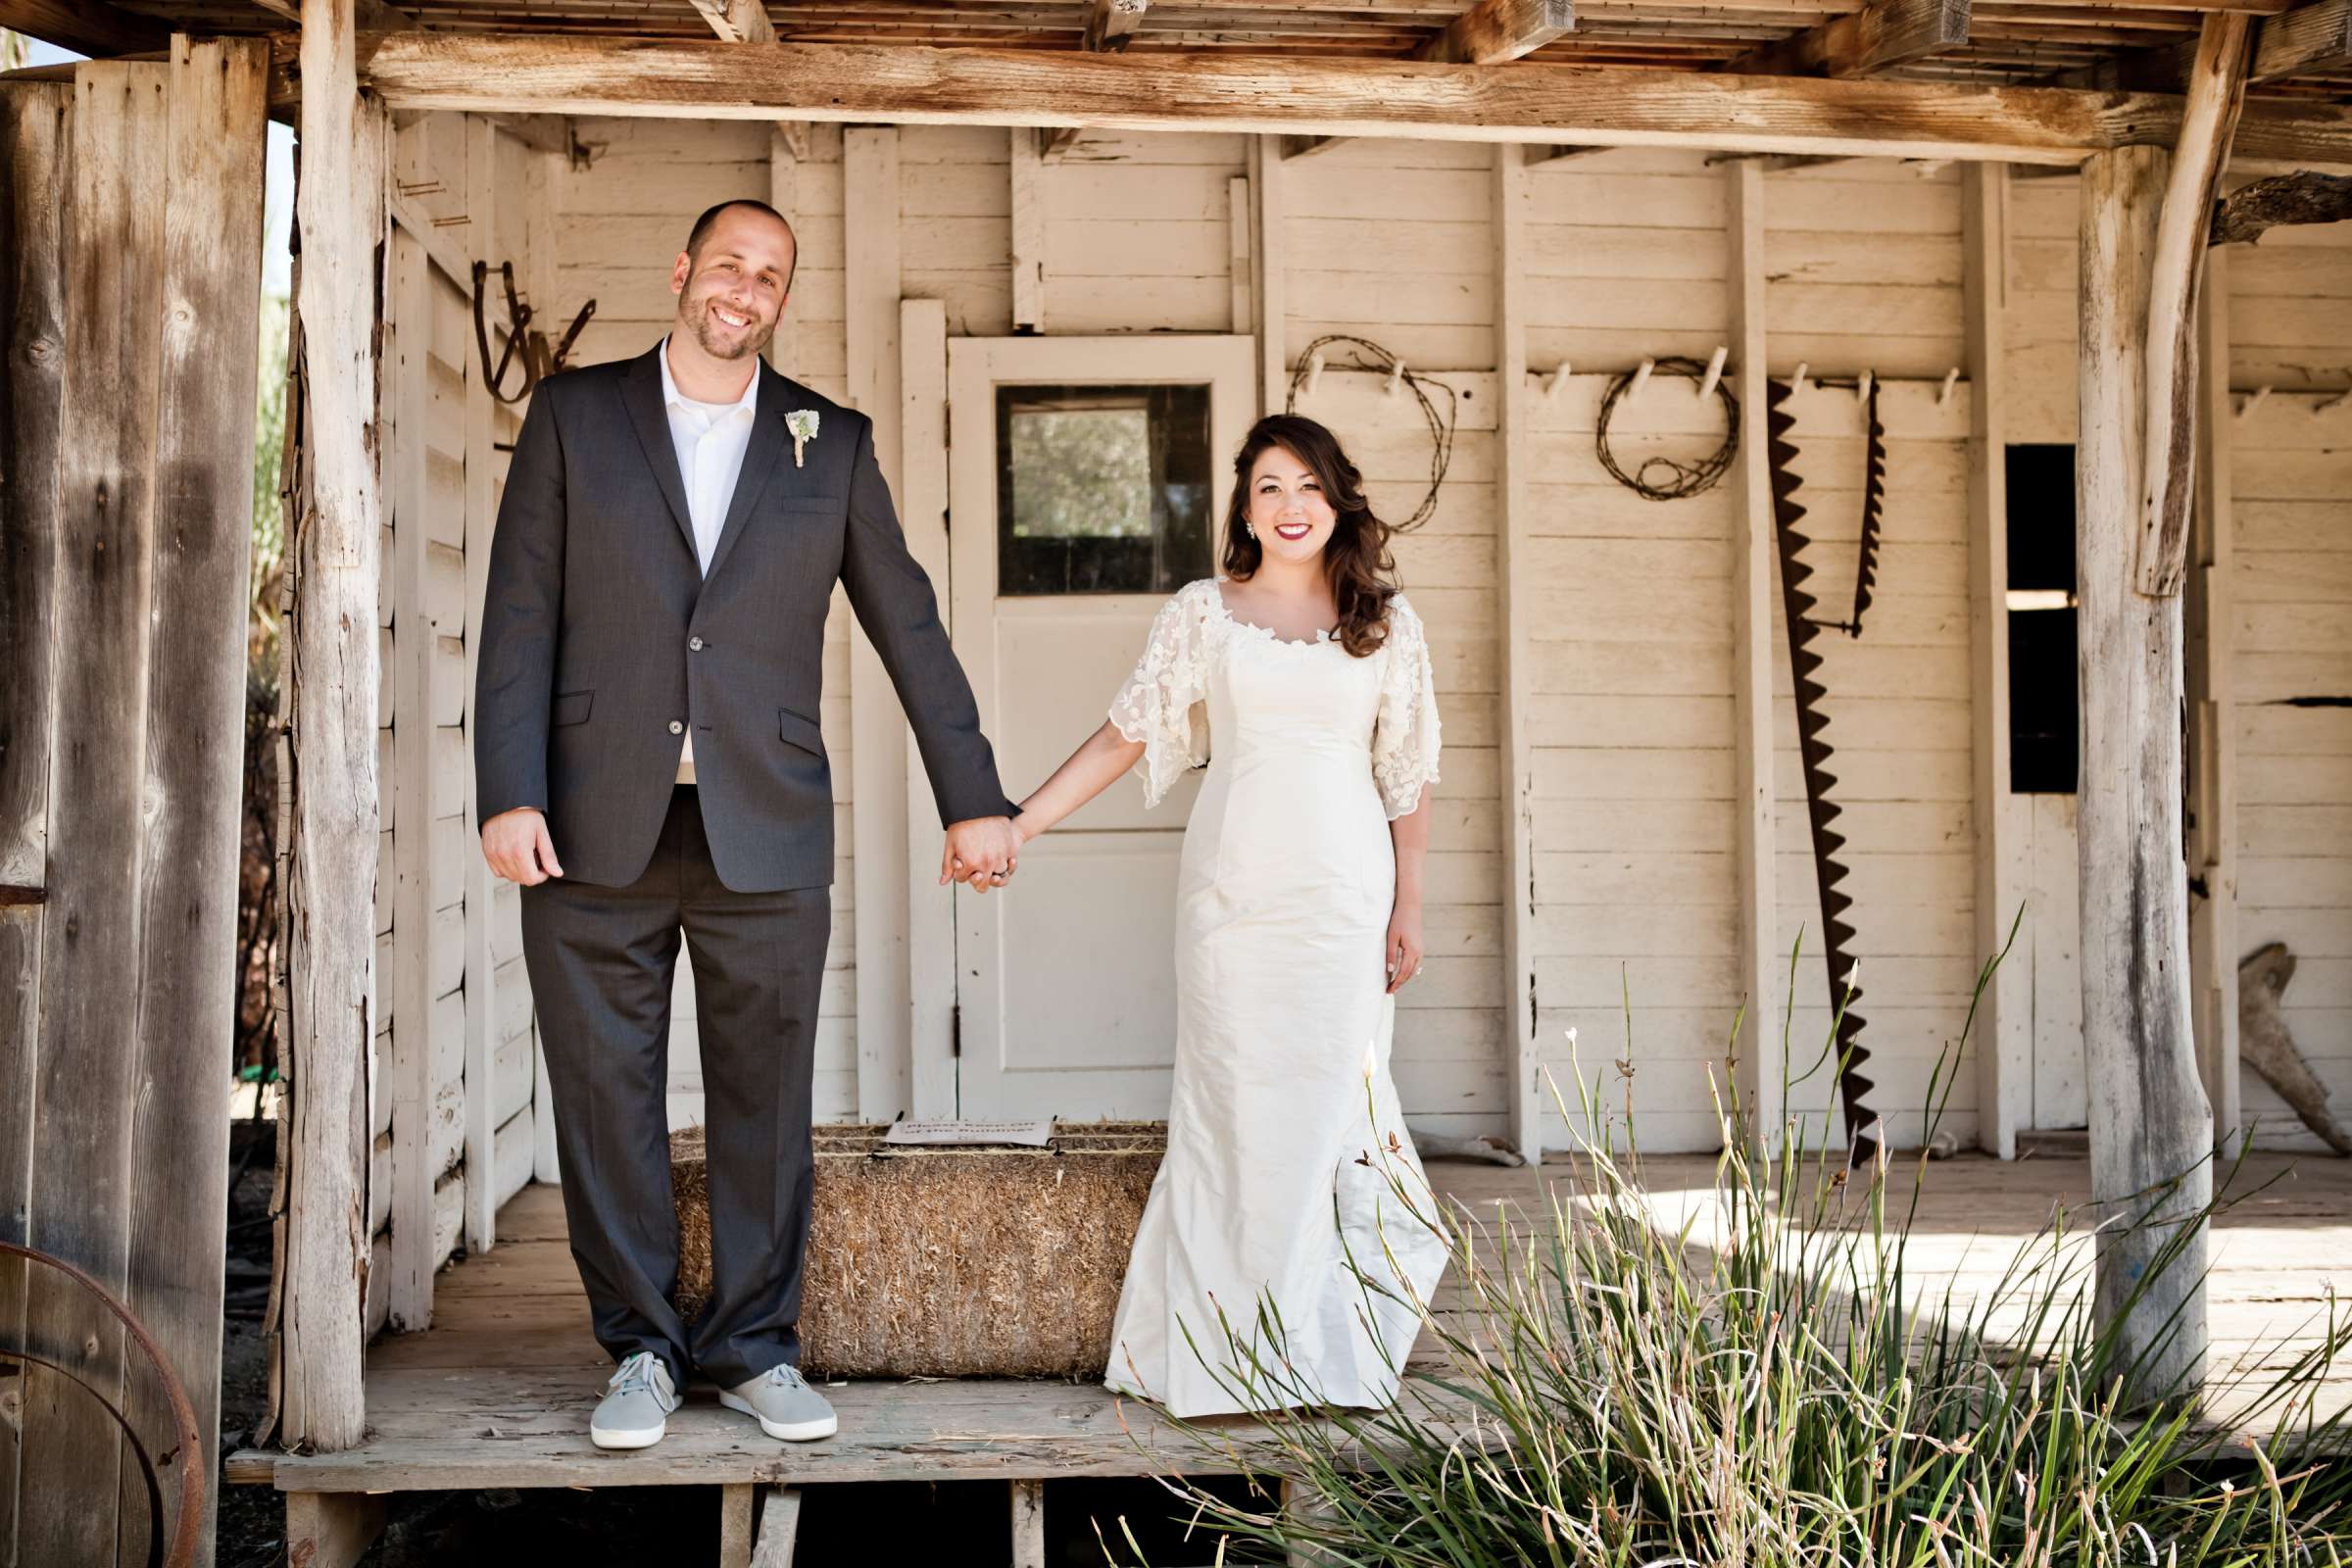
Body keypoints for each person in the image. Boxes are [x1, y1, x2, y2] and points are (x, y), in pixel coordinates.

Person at [472, 198, 1022, 1451]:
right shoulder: (572, 415)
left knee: (765, 1096)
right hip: (587, 823)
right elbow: (519, 614)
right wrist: (510, 789)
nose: (746, 288)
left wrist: (973, 794)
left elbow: (910, 624)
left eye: (770, 275)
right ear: (682, 271)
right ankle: (642, 1352)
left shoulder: (826, 444)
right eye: (729, 263)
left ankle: (758, 1345)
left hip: (762, 826)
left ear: (781, 298)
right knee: (604, 1097)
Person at [1008, 414, 1450, 1416]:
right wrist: (1022, 820)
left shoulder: (1385, 620)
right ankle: (1217, 1358)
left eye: (1307, 486)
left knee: (1327, 1105)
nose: (1290, 507)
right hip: (1232, 896)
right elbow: (1125, 733)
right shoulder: (1205, 613)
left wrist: (1409, 904)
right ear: (1244, 508)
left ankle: (1322, 1352)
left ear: (1337, 497)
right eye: (1268, 489)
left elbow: (1409, 775)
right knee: (1231, 1109)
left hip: (1344, 897)